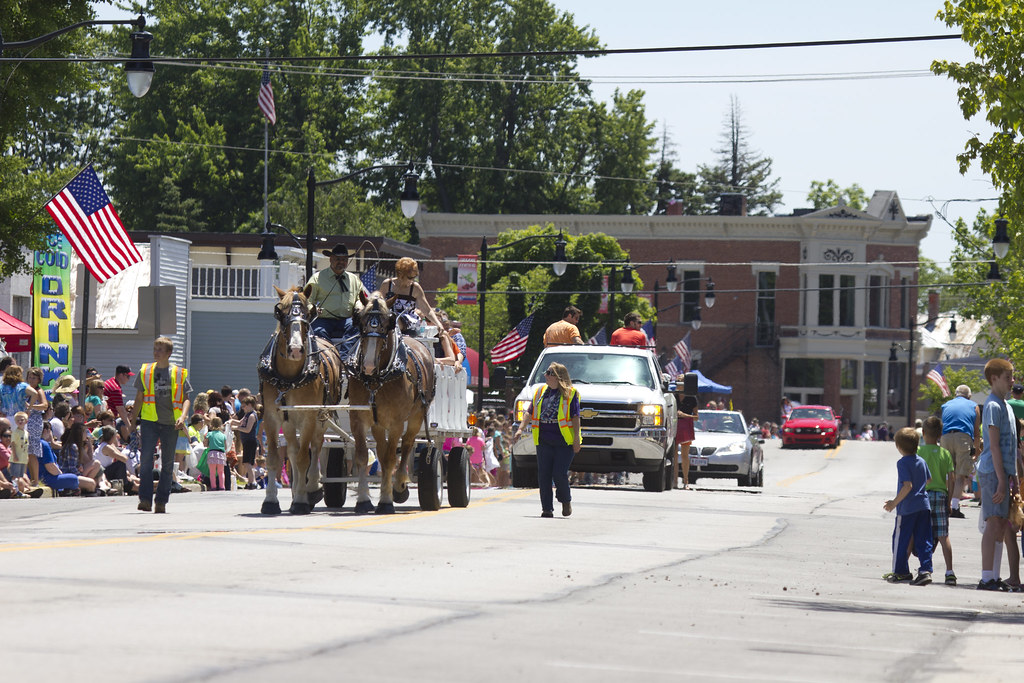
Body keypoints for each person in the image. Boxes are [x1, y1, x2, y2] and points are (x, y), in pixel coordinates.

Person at [131, 336, 193, 513]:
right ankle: (144, 500)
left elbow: (186, 399)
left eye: (160, 349)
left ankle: (161, 501)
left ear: (169, 353)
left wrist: (183, 416)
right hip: (150, 421)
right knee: (145, 461)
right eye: (155, 348)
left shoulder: (179, 373)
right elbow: (139, 398)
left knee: (167, 464)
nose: (155, 352)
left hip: (171, 424)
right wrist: (132, 422)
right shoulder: (146, 371)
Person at [512, 362, 581, 518]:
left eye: (549, 372)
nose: (545, 375)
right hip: (544, 440)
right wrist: (520, 429)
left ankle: (565, 500)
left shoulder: (570, 394)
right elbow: (529, 413)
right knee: (544, 475)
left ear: (558, 376)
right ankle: (547, 509)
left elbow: (575, 417)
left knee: (559, 473)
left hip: (564, 442)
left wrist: (576, 439)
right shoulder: (540, 392)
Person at [975, 358, 1020, 591]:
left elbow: (1011, 447)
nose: (1012, 381)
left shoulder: (1008, 407)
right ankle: (986, 578)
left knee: (1002, 524)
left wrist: (1014, 480)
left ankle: (994, 575)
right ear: (994, 379)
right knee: (993, 523)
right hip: (993, 471)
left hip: (1004, 473)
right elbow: (993, 446)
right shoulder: (992, 405)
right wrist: (1003, 479)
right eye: (1008, 377)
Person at [882, 427, 934, 585]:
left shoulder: (902, 462)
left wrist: (893, 503)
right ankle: (925, 570)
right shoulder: (921, 461)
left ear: (898, 446)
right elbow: (929, 480)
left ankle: (901, 571)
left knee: (900, 539)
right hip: (924, 505)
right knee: (924, 539)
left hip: (907, 508)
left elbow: (907, 486)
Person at [305, 243, 369, 357]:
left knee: (357, 328)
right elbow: (307, 300)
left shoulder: (354, 279)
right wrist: (313, 309)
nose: (341, 262)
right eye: (338, 259)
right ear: (331, 259)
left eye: (344, 259)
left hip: (346, 320)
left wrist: (359, 307)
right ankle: (328, 357)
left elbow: (360, 298)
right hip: (324, 320)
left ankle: (344, 359)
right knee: (318, 331)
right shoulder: (317, 278)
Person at [917, 416, 957, 585]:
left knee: (919, 533)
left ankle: (914, 568)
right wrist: (949, 501)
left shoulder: (919, 452)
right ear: (941, 435)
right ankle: (949, 571)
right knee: (943, 536)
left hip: (923, 496)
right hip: (940, 496)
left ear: (923, 432)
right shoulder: (945, 453)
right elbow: (952, 479)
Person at [940, 384, 982, 518]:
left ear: (955, 394)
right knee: (960, 475)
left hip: (945, 437)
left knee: (948, 473)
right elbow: (976, 432)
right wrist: (975, 450)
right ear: (969, 396)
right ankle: (954, 507)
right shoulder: (974, 406)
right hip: (963, 437)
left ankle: (945, 505)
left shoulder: (946, 405)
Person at [380, 258, 444, 335]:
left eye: (414, 277)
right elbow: (379, 303)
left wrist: (438, 323)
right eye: (410, 278)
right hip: (388, 318)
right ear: (400, 274)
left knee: (394, 320)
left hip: (408, 320)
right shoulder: (387, 284)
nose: (412, 280)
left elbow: (427, 310)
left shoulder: (415, 288)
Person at [230, 396, 259, 489]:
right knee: (247, 463)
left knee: (247, 463)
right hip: (246, 441)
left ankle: (252, 482)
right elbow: (240, 422)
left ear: (250, 405)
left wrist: (236, 428)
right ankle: (251, 482)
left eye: (244, 406)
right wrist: (231, 421)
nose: (243, 408)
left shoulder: (252, 415)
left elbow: (247, 429)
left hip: (250, 441)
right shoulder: (246, 414)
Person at [674, 379, 698, 490]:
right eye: (678, 383)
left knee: (684, 456)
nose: (680, 385)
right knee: (673, 455)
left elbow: (696, 417)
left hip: (686, 426)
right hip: (673, 425)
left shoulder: (691, 398)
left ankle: (686, 481)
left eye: (682, 383)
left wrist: (684, 415)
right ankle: (673, 481)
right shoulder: (672, 396)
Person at [206, 416, 229, 491]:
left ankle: (213, 486)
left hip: (212, 453)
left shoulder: (209, 434)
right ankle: (222, 486)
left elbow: (205, 444)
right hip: (221, 454)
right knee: (221, 472)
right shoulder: (223, 435)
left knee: (212, 472)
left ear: (211, 424)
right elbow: (225, 447)